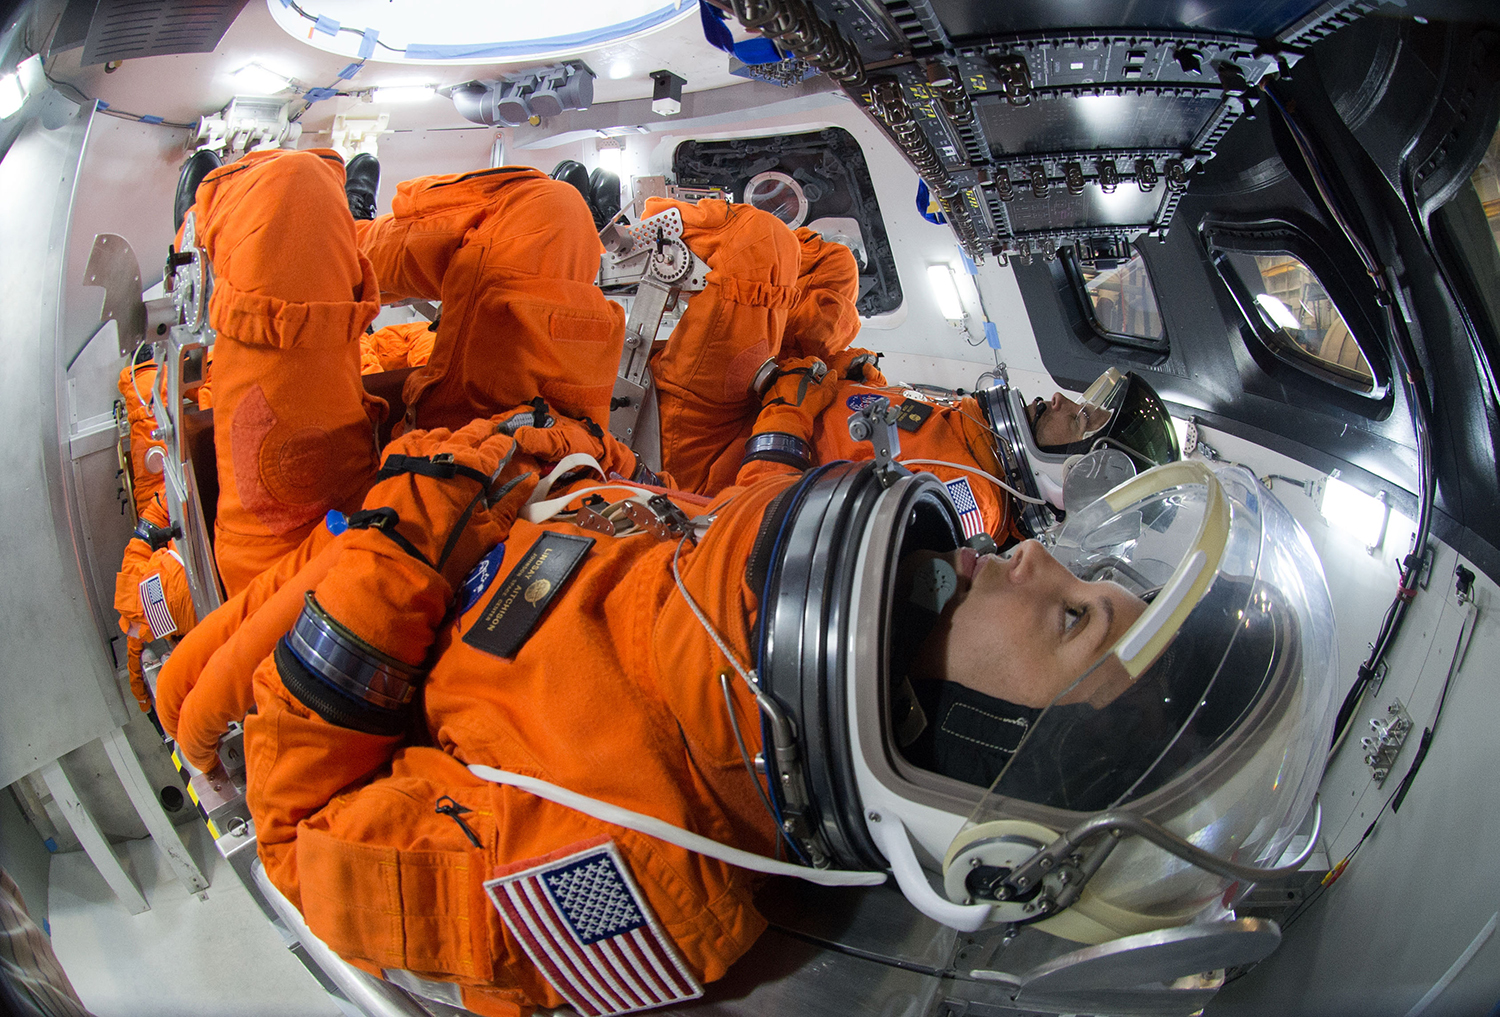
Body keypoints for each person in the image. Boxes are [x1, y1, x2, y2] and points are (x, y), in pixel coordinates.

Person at [148, 150, 1174, 1014]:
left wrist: (395, 553)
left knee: (285, 198)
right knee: (546, 216)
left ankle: (256, 220)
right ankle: (370, 260)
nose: (1044, 560)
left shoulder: (638, 875)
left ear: (978, 754)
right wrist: (557, 462)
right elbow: (676, 507)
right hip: (502, 473)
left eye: (1074, 619)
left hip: (326, 570)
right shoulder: (781, 600)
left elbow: (297, 839)